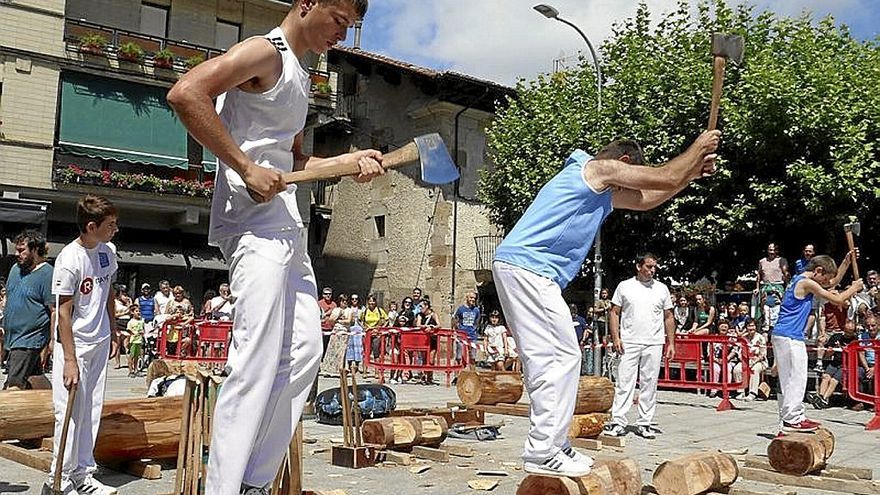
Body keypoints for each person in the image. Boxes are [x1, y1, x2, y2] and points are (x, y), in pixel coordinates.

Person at [492, 130, 720, 477]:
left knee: (554, 359)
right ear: (623, 164)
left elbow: (646, 199)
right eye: (625, 179)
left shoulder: (598, 192)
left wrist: (691, 175)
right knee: (561, 357)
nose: (622, 190)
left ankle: (553, 446)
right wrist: (697, 150)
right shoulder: (595, 170)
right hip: (529, 269)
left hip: (527, 270)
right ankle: (542, 450)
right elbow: (664, 175)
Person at [47, 194, 120, 495]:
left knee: (91, 409)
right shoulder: (68, 260)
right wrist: (70, 358)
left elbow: (110, 291)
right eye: (111, 224)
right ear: (91, 226)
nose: (116, 229)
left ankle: (83, 474)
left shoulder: (108, 251)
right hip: (74, 343)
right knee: (69, 412)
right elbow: (63, 313)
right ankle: (59, 479)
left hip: (100, 339)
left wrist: (114, 330)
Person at [772, 253, 861, 433]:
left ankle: (787, 420)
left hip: (785, 334)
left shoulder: (803, 280)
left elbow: (830, 283)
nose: (826, 281)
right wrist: (854, 288)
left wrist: (845, 261)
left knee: (789, 378)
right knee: (797, 376)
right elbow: (836, 298)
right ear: (818, 271)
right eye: (825, 276)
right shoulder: (806, 282)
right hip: (789, 335)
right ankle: (793, 418)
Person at [604, 254, 674, 439]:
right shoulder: (625, 286)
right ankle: (618, 421)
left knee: (649, 383)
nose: (652, 270)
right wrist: (616, 337)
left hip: (654, 341)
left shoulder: (661, 289)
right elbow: (614, 312)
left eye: (654, 267)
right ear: (638, 266)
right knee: (624, 381)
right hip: (629, 341)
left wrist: (671, 343)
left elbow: (668, 316)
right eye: (649, 266)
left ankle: (645, 422)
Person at [3, 230, 54, 390]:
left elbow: (54, 311)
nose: (17, 254)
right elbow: (10, 299)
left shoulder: (48, 274)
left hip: (29, 339)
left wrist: (53, 340)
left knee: (13, 384)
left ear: (35, 250)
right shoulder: (15, 270)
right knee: (34, 376)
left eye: (21, 250)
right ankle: (55, 402)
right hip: (12, 337)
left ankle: (8, 414)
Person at [811, 319, 860, 409]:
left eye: (850, 332)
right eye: (846, 331)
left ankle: (824, 399)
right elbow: (827, 354)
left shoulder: (856, 340)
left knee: (834, 381)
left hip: (847, 364)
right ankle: (820, 397)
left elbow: (856, 355)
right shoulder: (836, 337)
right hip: (835, 362)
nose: (848, 334)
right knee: (825, 377)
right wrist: (832, 350)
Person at [453, 291, 481, 368]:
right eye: (471, 298)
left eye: (474, 298)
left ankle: (473, 374)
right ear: (467, 298)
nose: (473, 300)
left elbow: (477, 321)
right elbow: (455, 319)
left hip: (472, 336)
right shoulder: (461, 309)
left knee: (473, 357)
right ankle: (458, 375)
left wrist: (474, 329)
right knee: (459, 356)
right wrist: (457, 329)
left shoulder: (476, 310)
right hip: (462, 335)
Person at [744, 319, 768, 401]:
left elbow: (763, 354)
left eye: (753, 326)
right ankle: (740, 391)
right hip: (746, 360)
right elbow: (738, 351)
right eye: (749, 326)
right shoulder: (744, 338)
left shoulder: (760, 338)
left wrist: (753, 362)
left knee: (754, 370)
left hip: (760, 361)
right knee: (737, 369)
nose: (751, 328)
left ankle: (752, 393)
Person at [127, 304, 145, 377]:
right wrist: (134, 333)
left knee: (137, 356)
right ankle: (131, 371)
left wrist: (142, 332)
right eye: (136, 311)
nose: (138, 312)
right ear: (132, 312)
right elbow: (128, 330)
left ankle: (136, 369)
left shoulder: (141, 321)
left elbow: (143, 329)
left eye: (139, 311)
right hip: (133, 341)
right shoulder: (131, 321)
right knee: (131, 356)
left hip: (139, 341)